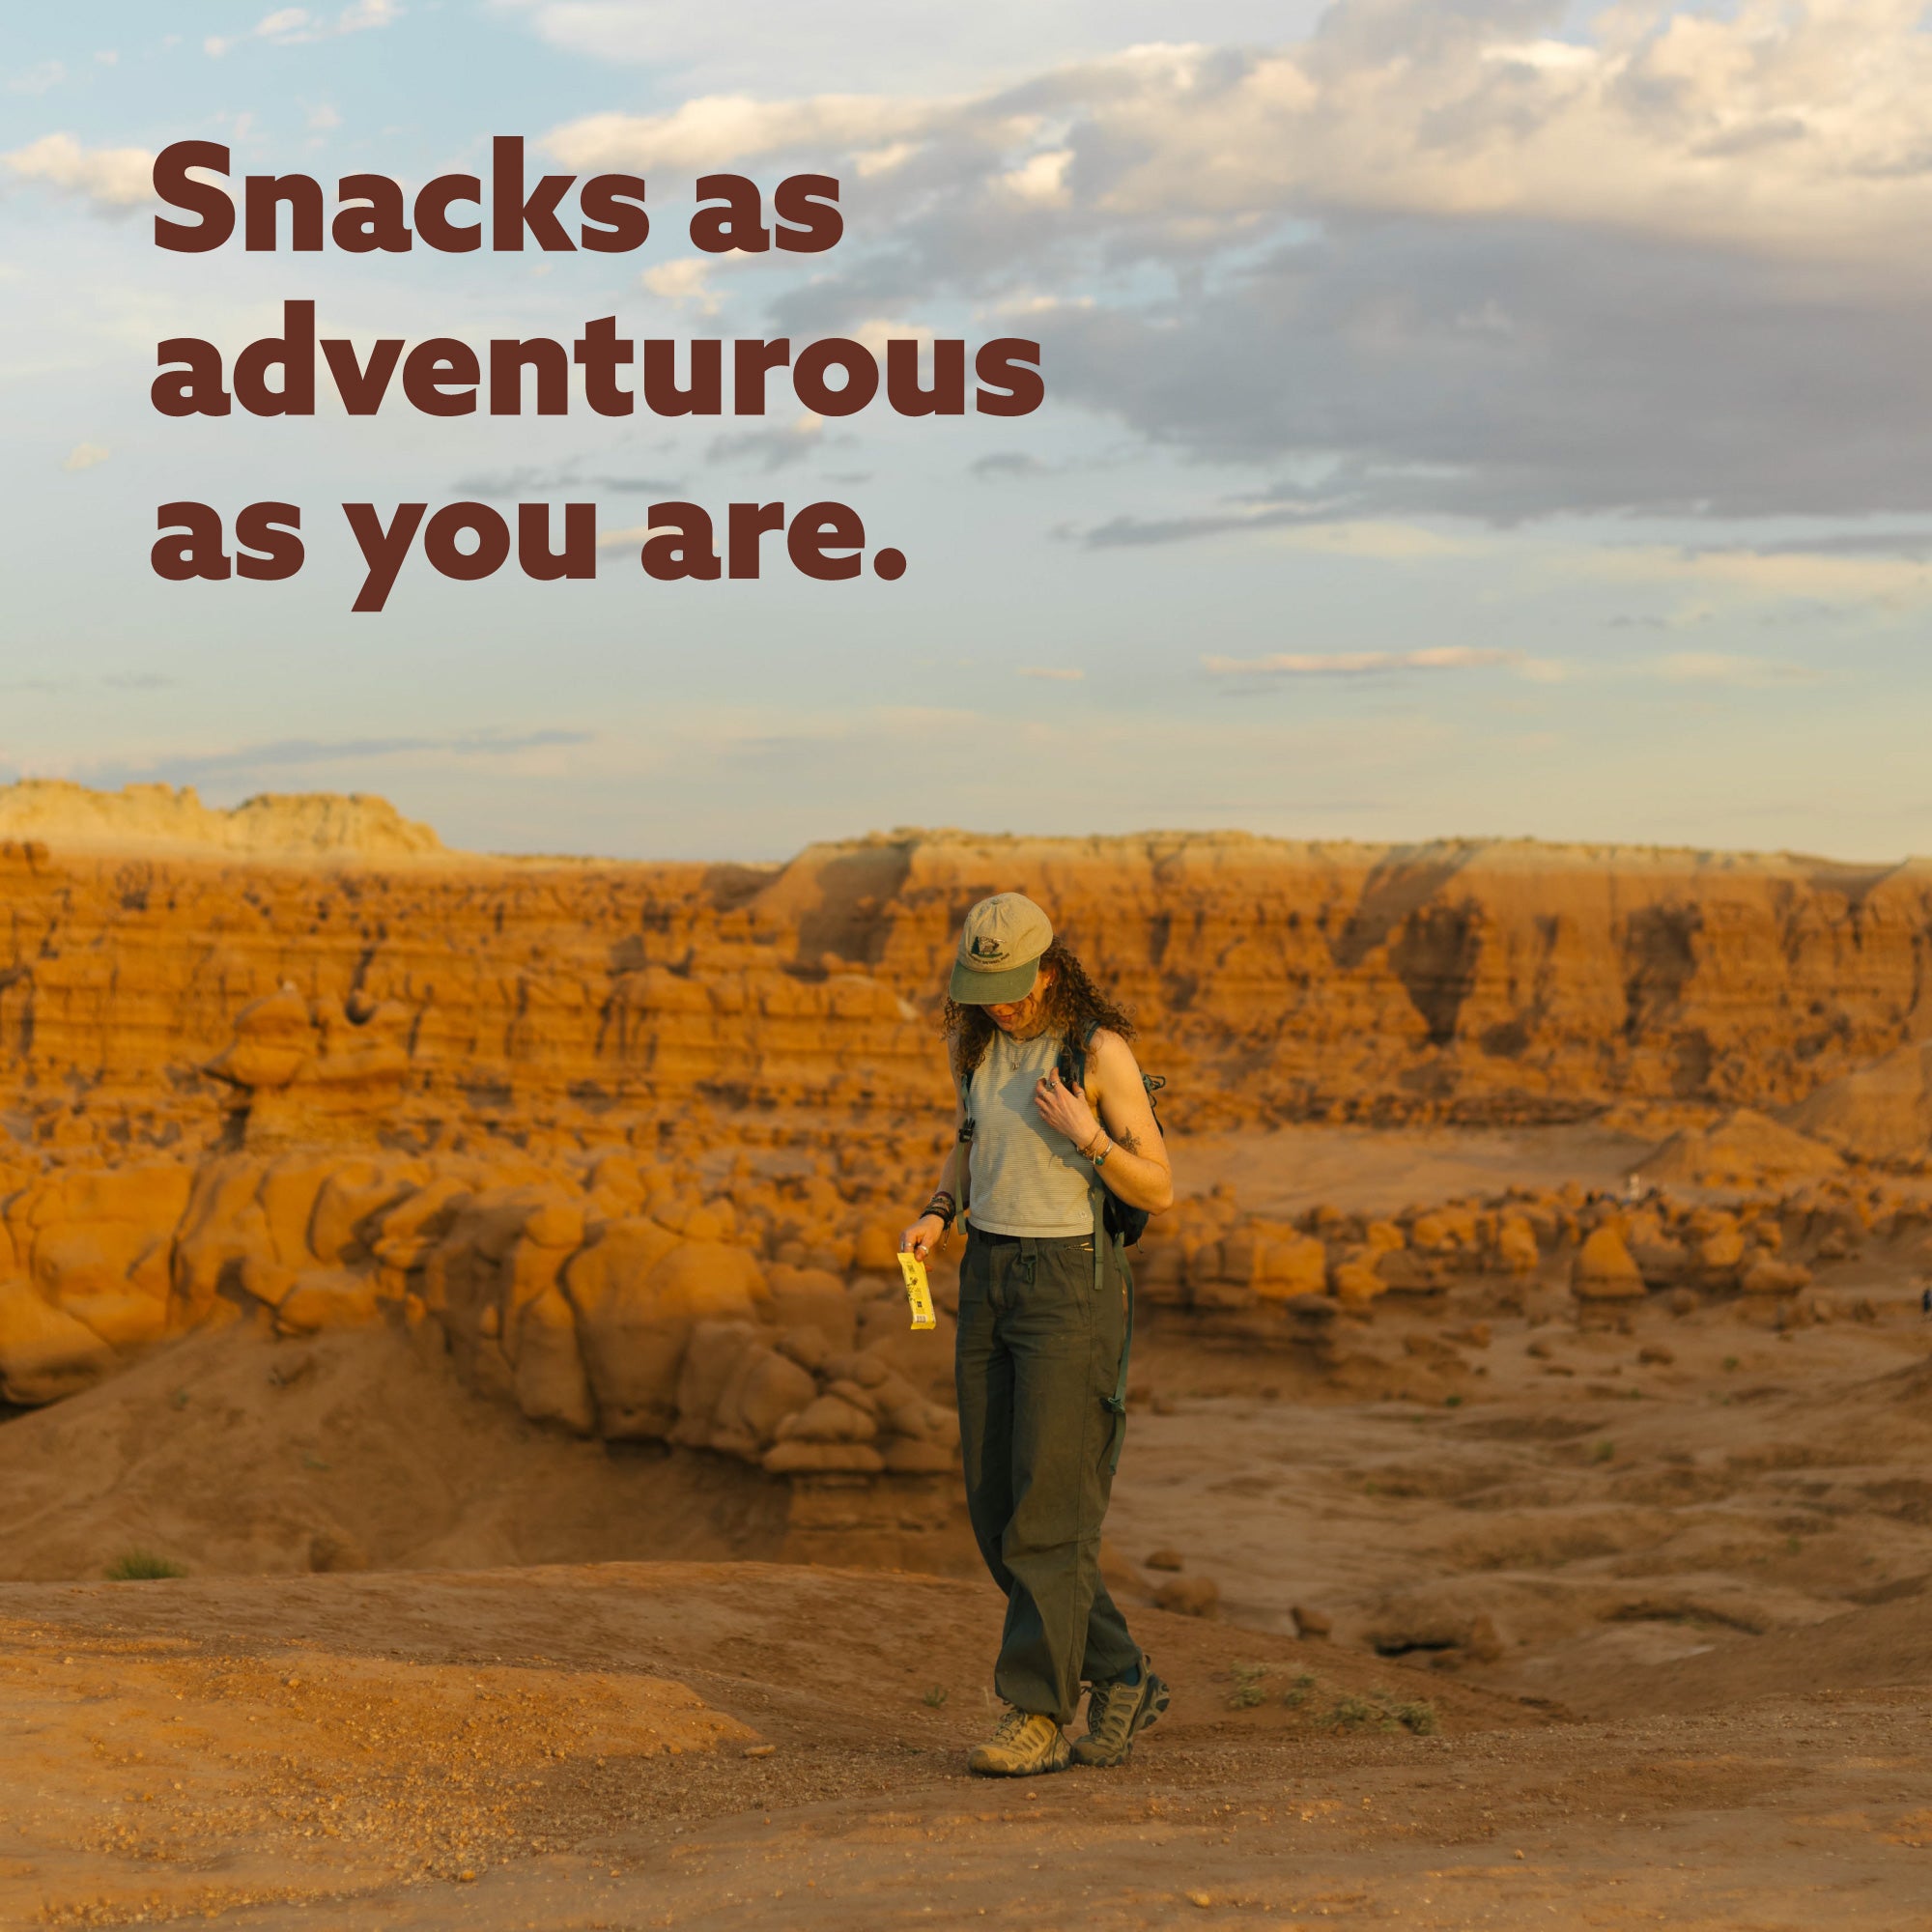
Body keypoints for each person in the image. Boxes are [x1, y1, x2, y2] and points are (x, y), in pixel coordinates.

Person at [900, 892, 1175, 1776]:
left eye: (1013, 986)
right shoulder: (974, 1045)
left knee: (1051, 1511)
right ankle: (1120, 1671)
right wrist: (941, 1212)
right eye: (986, 988)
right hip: (990, 1275)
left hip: (1070, 1288)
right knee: (995, 1509)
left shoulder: (1098, 1052)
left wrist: (1089, 1136)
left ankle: (1036, 1713)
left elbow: (1158, 1188)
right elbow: (968, 1142)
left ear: (1050, 969)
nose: (1001, 1002)